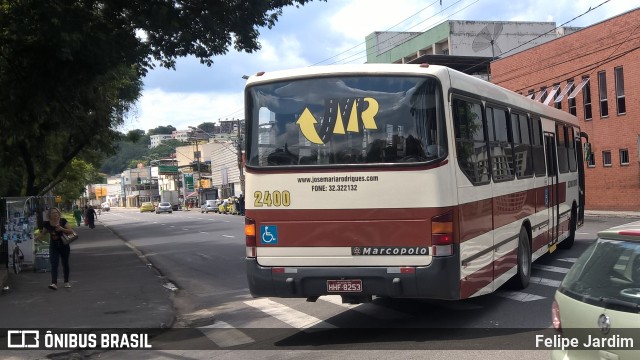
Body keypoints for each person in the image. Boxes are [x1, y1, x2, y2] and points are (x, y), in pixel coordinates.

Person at [34, 207, 74, 290]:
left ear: (59, 213)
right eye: (53, 213)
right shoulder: (47, 224)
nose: (55, 214)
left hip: (64, 245)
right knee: (54, 264)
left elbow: (70, 231)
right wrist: (37, 238)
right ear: (49, 215)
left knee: (65, 264)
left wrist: (62, 229)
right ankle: (54, 283)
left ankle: (66, 282)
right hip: (53, 246)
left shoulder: (63, 221)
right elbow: (43, 233)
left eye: (56, 212)